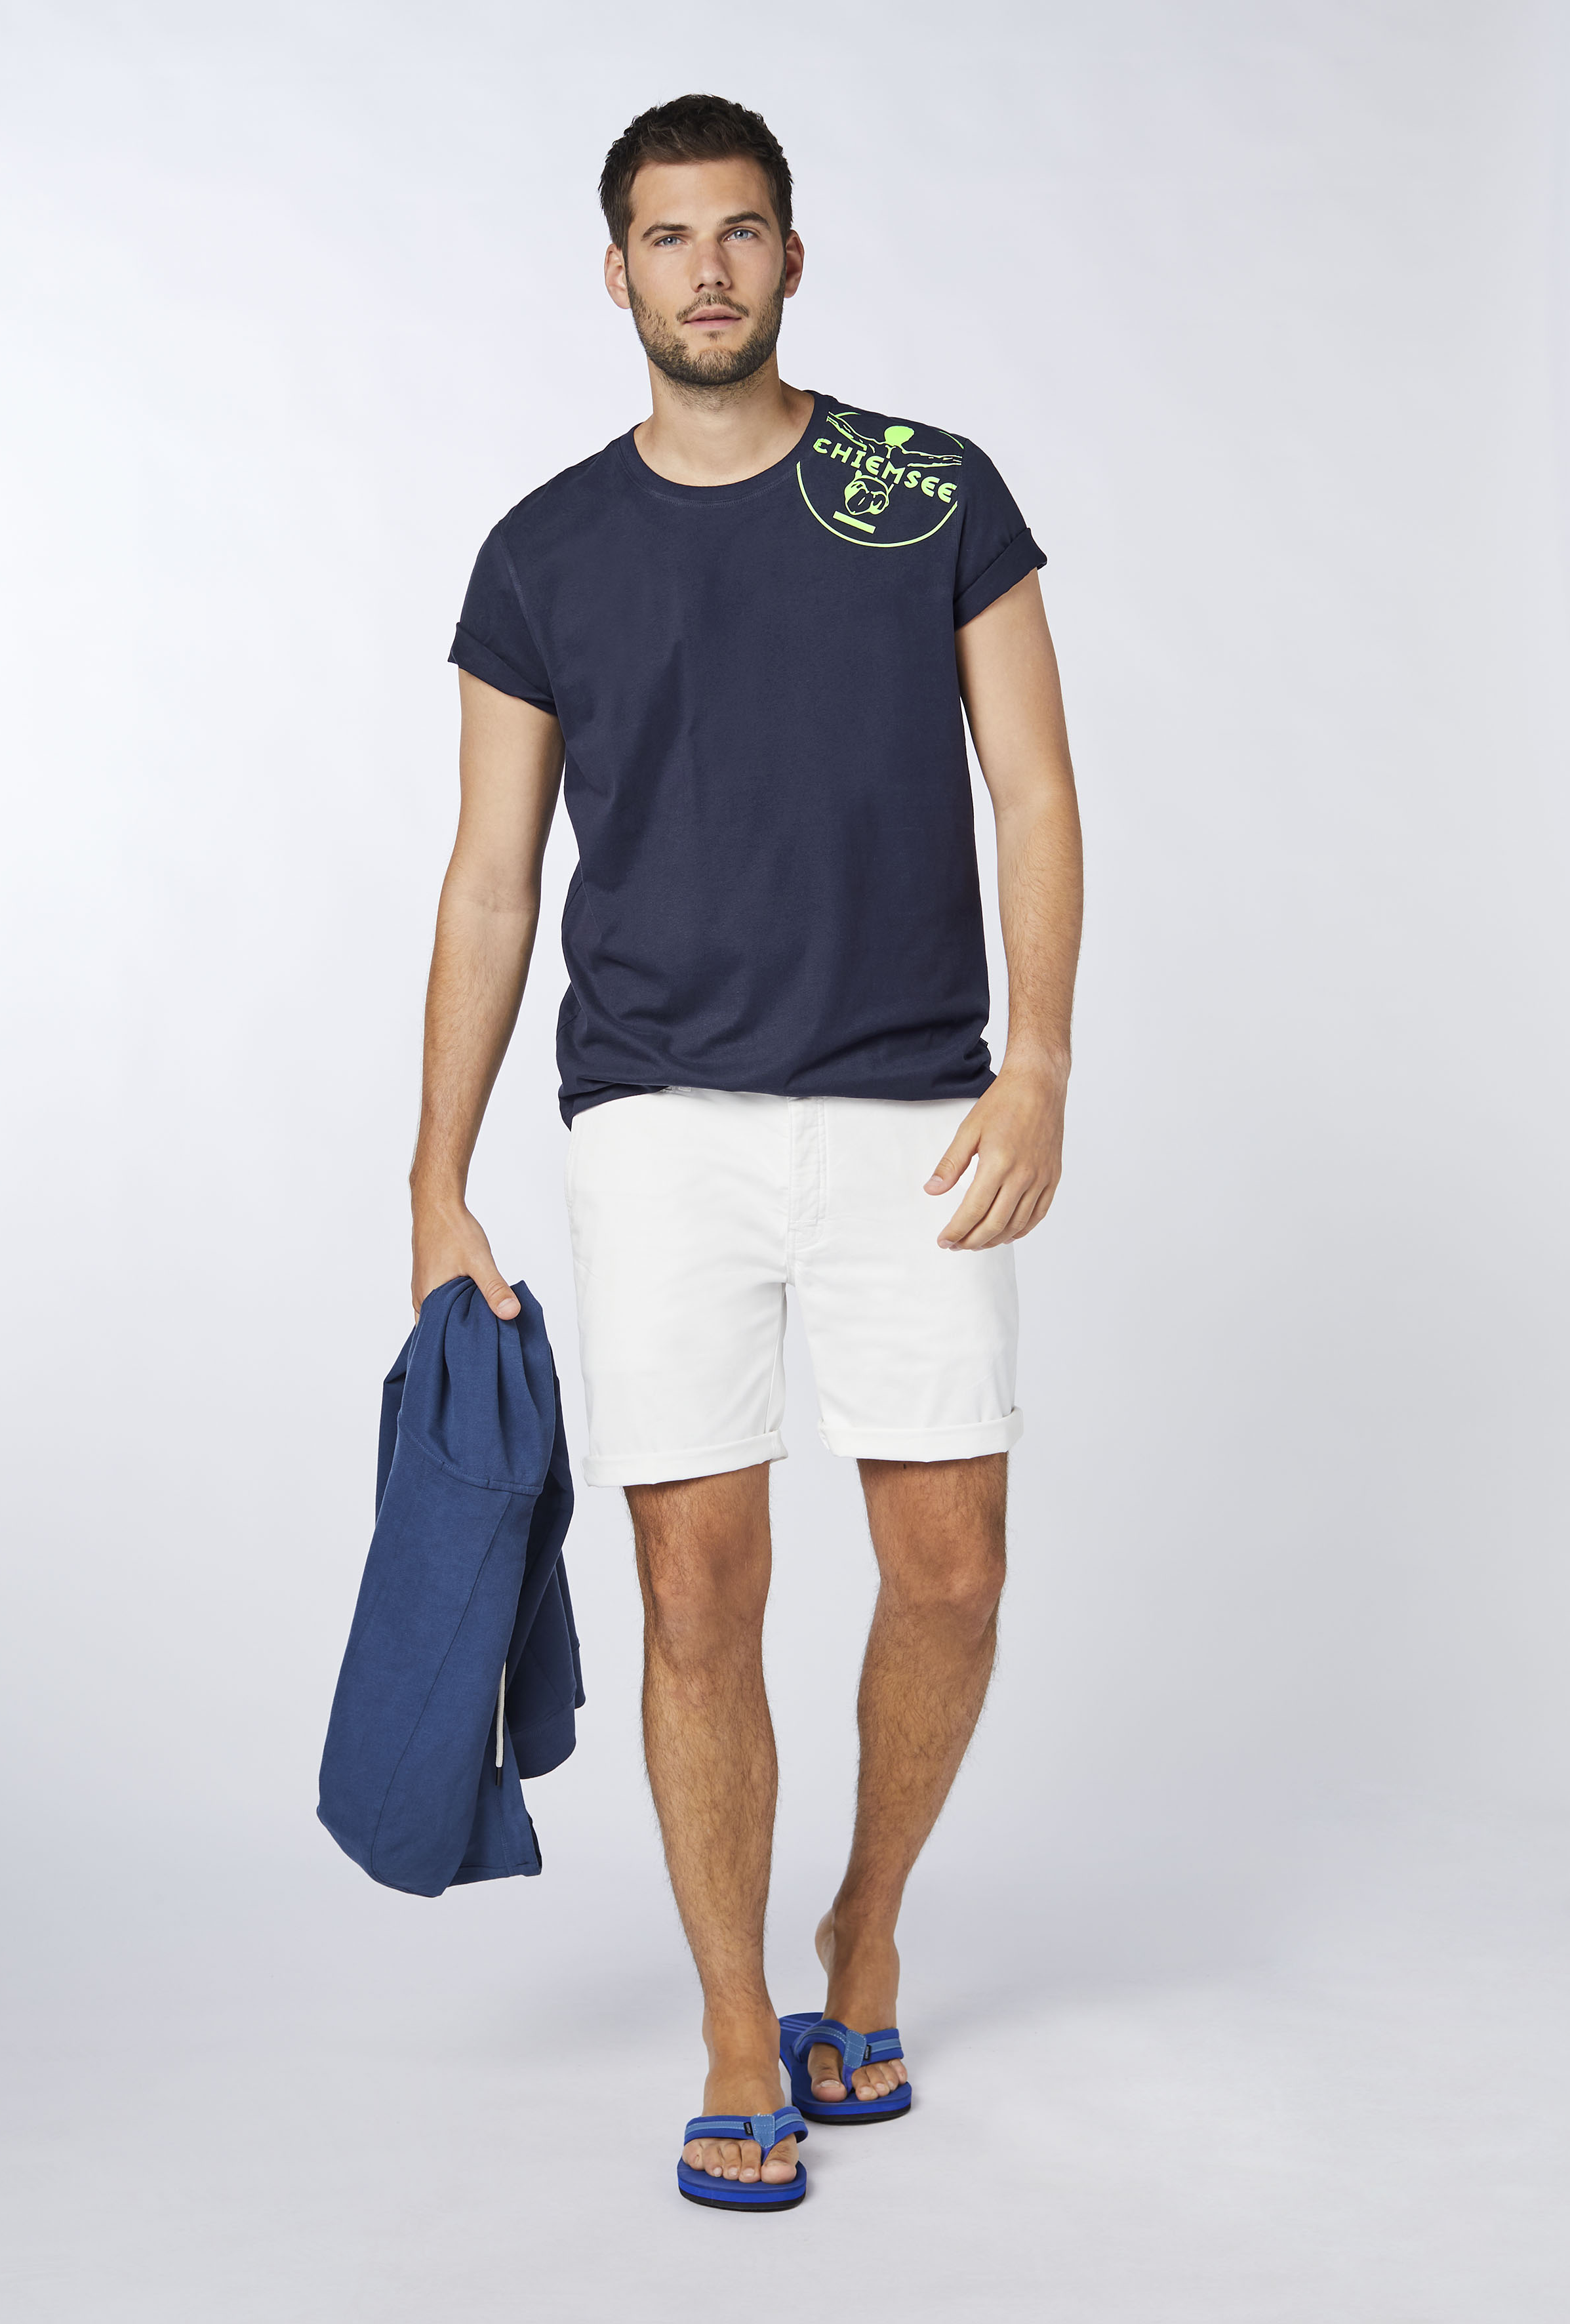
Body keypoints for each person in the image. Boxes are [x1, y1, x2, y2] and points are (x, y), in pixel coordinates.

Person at [408, 92, 1082, 2210]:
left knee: (952, 1568)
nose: (707, 268)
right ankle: (732, 2027)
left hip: (918, 1109)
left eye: (742, 231)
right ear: (614, 270)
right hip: (660, 1117)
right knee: (699, 1588)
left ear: (795, 256)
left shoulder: (927, 488)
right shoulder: (543, 553)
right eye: (668, 235)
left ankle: (863, 1932)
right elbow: (492, 881)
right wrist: (434, 1175)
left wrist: (1042, 1061)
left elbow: (1036, 790)